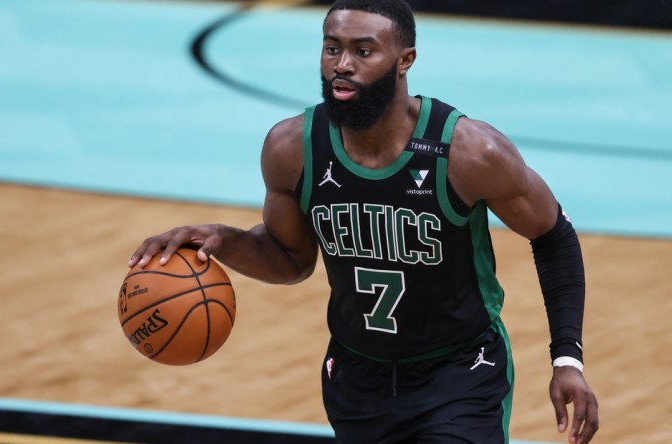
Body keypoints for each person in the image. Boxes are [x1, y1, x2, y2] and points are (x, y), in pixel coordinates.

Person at [129, 0, 599, 442]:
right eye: (332, 47)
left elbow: (552, 233)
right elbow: (291, 259)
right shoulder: (293, 147)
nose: (342, 64)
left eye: (363, 50)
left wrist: (566, 359)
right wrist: (223, 240)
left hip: (460, 372)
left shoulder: (469, 151)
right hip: (357, 377)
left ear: (405, 60)